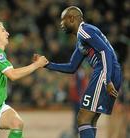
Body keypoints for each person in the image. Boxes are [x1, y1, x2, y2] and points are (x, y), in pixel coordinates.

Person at [34, 6, 122, 138]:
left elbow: (106, 52)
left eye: (62, 20)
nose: (61, 24)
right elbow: (71, 67)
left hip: (105, 72)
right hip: (108, 72)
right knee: (89, 120)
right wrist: (47, 65)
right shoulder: (81, 40)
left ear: (71, 18)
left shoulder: (85, 30)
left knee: (83, 118)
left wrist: (107, 79)